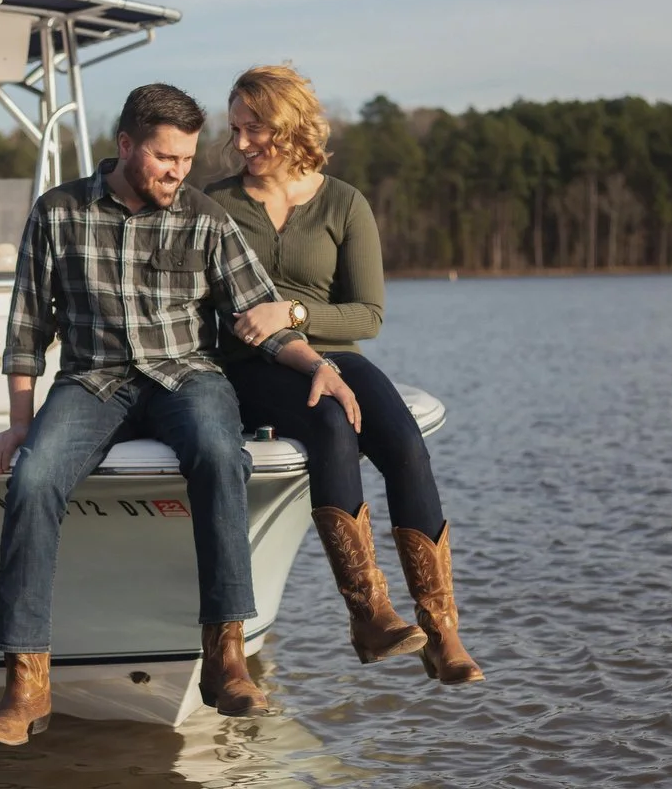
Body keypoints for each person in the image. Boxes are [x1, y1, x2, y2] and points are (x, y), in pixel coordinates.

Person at [0, 82, 361, 746]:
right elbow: (27, 329)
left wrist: (314, 364)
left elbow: (258, 317)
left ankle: (226, 657)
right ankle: (26, 681)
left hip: (187, 379)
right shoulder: (58, 213)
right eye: (164, 159)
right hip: (92, 382)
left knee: (220, 455)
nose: (177, 173)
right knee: (35, 478)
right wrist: (19, 420)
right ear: (125, 146)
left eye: (185, 160)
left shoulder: (205, 217)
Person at [205, 65, 483, 685]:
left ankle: (442, 632)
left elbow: (369, 313)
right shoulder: (217, 205)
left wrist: (297, 311)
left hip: (339, 353)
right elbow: (210, 310)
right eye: (237, 130)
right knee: (331, 423)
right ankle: (368, 614)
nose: (243, 143)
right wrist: (273, 328)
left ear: (291, 125)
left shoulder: (344, 203)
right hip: (253, 362)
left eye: (257, 129)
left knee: (405, 445)